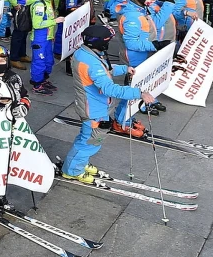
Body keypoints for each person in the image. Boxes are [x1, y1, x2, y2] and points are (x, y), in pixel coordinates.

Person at [60, 25, 154, 182]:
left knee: (87, 138)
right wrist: (139, 93)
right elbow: (109, 88)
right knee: (90, 141)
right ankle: (72, 171)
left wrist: (124, 69)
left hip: (93, 106)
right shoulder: (91, 62)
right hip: (93, 110)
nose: (108, 44)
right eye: (107, 41)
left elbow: (106, 70)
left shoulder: (86, 53)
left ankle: (79, 163)